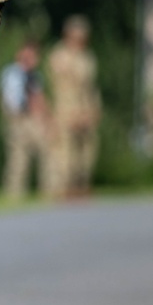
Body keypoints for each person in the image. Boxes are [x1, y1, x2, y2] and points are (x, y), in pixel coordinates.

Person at [46, 15, 101, 198]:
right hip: (66, 110)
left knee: (86, 153)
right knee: (64, 153)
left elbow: (90, 88)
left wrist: (92, 111)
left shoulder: (88, 57)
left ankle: (82, 186)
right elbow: (59, 86)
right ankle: (64, 188)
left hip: (86, 110)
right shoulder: (59, 55)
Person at [0, 40, 49, 199]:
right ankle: (14, 194)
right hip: (17, 117)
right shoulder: (12, 73)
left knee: (44, 152)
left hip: (32, 118)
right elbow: (8, 99)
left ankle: (47, 191)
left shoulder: (35, 76)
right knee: (18, 158)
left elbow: (38, 98)